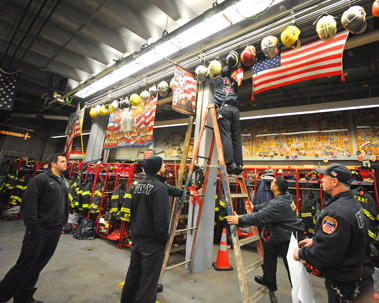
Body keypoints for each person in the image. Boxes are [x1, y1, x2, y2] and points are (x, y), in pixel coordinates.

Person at [293, 163, 375, 303]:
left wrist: (301, 254)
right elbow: (346, 237)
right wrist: (316, 241)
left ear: (335, 181)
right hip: (359, 278)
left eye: (324, 177)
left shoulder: (336, 212)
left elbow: (325, 254)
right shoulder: (352, 203)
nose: (321, 180)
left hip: (347, 288)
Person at [120, 155, 196, 303]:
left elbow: (132, 210)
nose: (165, 166)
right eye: (162, 164)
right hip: (153, 242)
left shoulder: (138, 184)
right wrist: (164, 239)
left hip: (137, 237)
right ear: (157, 168)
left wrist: (185, 193)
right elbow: (161, 219)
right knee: (149, 281)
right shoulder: (158, 188)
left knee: (133, 275)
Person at [0, 153, 69, 303]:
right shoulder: (40, 180)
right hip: (40, 229)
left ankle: (23, 297)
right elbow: (28, 205)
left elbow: (64, 204)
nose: (66, 163)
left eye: (66, 161)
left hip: (55, 229)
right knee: (24, 266)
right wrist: (33, 227)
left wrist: (62, 222)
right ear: (53, 164)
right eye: (63, 161)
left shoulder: (64, 182)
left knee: (37, 266)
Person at [227, 176, 304, 291]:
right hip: (287, 234)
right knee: (269, 245)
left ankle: (300, 297)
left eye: (272, 182)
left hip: (290, 239)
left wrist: (239, 220)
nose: (270, 183)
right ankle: (269, 280)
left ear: (276, 187)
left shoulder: (279, 204)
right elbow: (269, 204)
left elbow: (260, 217)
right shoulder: (285, 196)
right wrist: (255, 207)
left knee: (293, 273)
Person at [209, 65, 243, 175]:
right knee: (236, 137)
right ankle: (239, 164)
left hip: (224, 110)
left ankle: (230, 164)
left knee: (226, 136)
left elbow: (209, 76)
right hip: (235, 110)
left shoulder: (218, 80)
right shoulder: (235, 82)